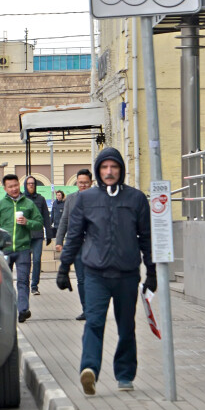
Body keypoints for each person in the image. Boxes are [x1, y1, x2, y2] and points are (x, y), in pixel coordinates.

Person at [57, 148, 154, 396]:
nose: (109, 172)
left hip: (127, 274)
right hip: (95, 274)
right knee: (94, 322)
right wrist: (63, 268)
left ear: (121, 170)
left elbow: (146, 237)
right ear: (98, 171)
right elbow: (75, 236)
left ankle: (124, 375)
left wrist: (151, 271)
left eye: (114, 167)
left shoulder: (135, 199)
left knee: (126, 326)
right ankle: (89, 369)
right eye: (104, 167)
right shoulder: (86, 199)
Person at [0, 173, 43, 324]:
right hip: (4, 250)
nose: (14, 189)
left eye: (16, 185)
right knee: (4, 282)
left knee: (23, 281)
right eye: (10, 186)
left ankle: (23, 310)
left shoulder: (28, 204)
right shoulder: (0, 205)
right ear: (5, 188)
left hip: (23, 248)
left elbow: (39, 223)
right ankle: (5, 311)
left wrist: (27, 222)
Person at [54, 169, 93, 320]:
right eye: (80, 182)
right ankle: (86, 310)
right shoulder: (70, 199)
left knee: (93, 278)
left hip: (93, 244)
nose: (82, 185)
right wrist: (59, 241)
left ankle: (94, 307)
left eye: (85, 183)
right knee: (81, 279)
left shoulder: (97, 198)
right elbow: (64, 221)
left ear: (91, 183)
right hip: (76, 244)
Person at [23, 175, 51, 296]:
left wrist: (49, 234)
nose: (31, 185)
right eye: (29, 183)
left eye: (33, 183)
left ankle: (34, 286)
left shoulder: (41, 199)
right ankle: (25, 285)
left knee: (37, 260)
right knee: (25, 261)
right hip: (24, 236)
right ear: (25, 185)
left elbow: (46, 217)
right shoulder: (21, 198)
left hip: (38, 236)